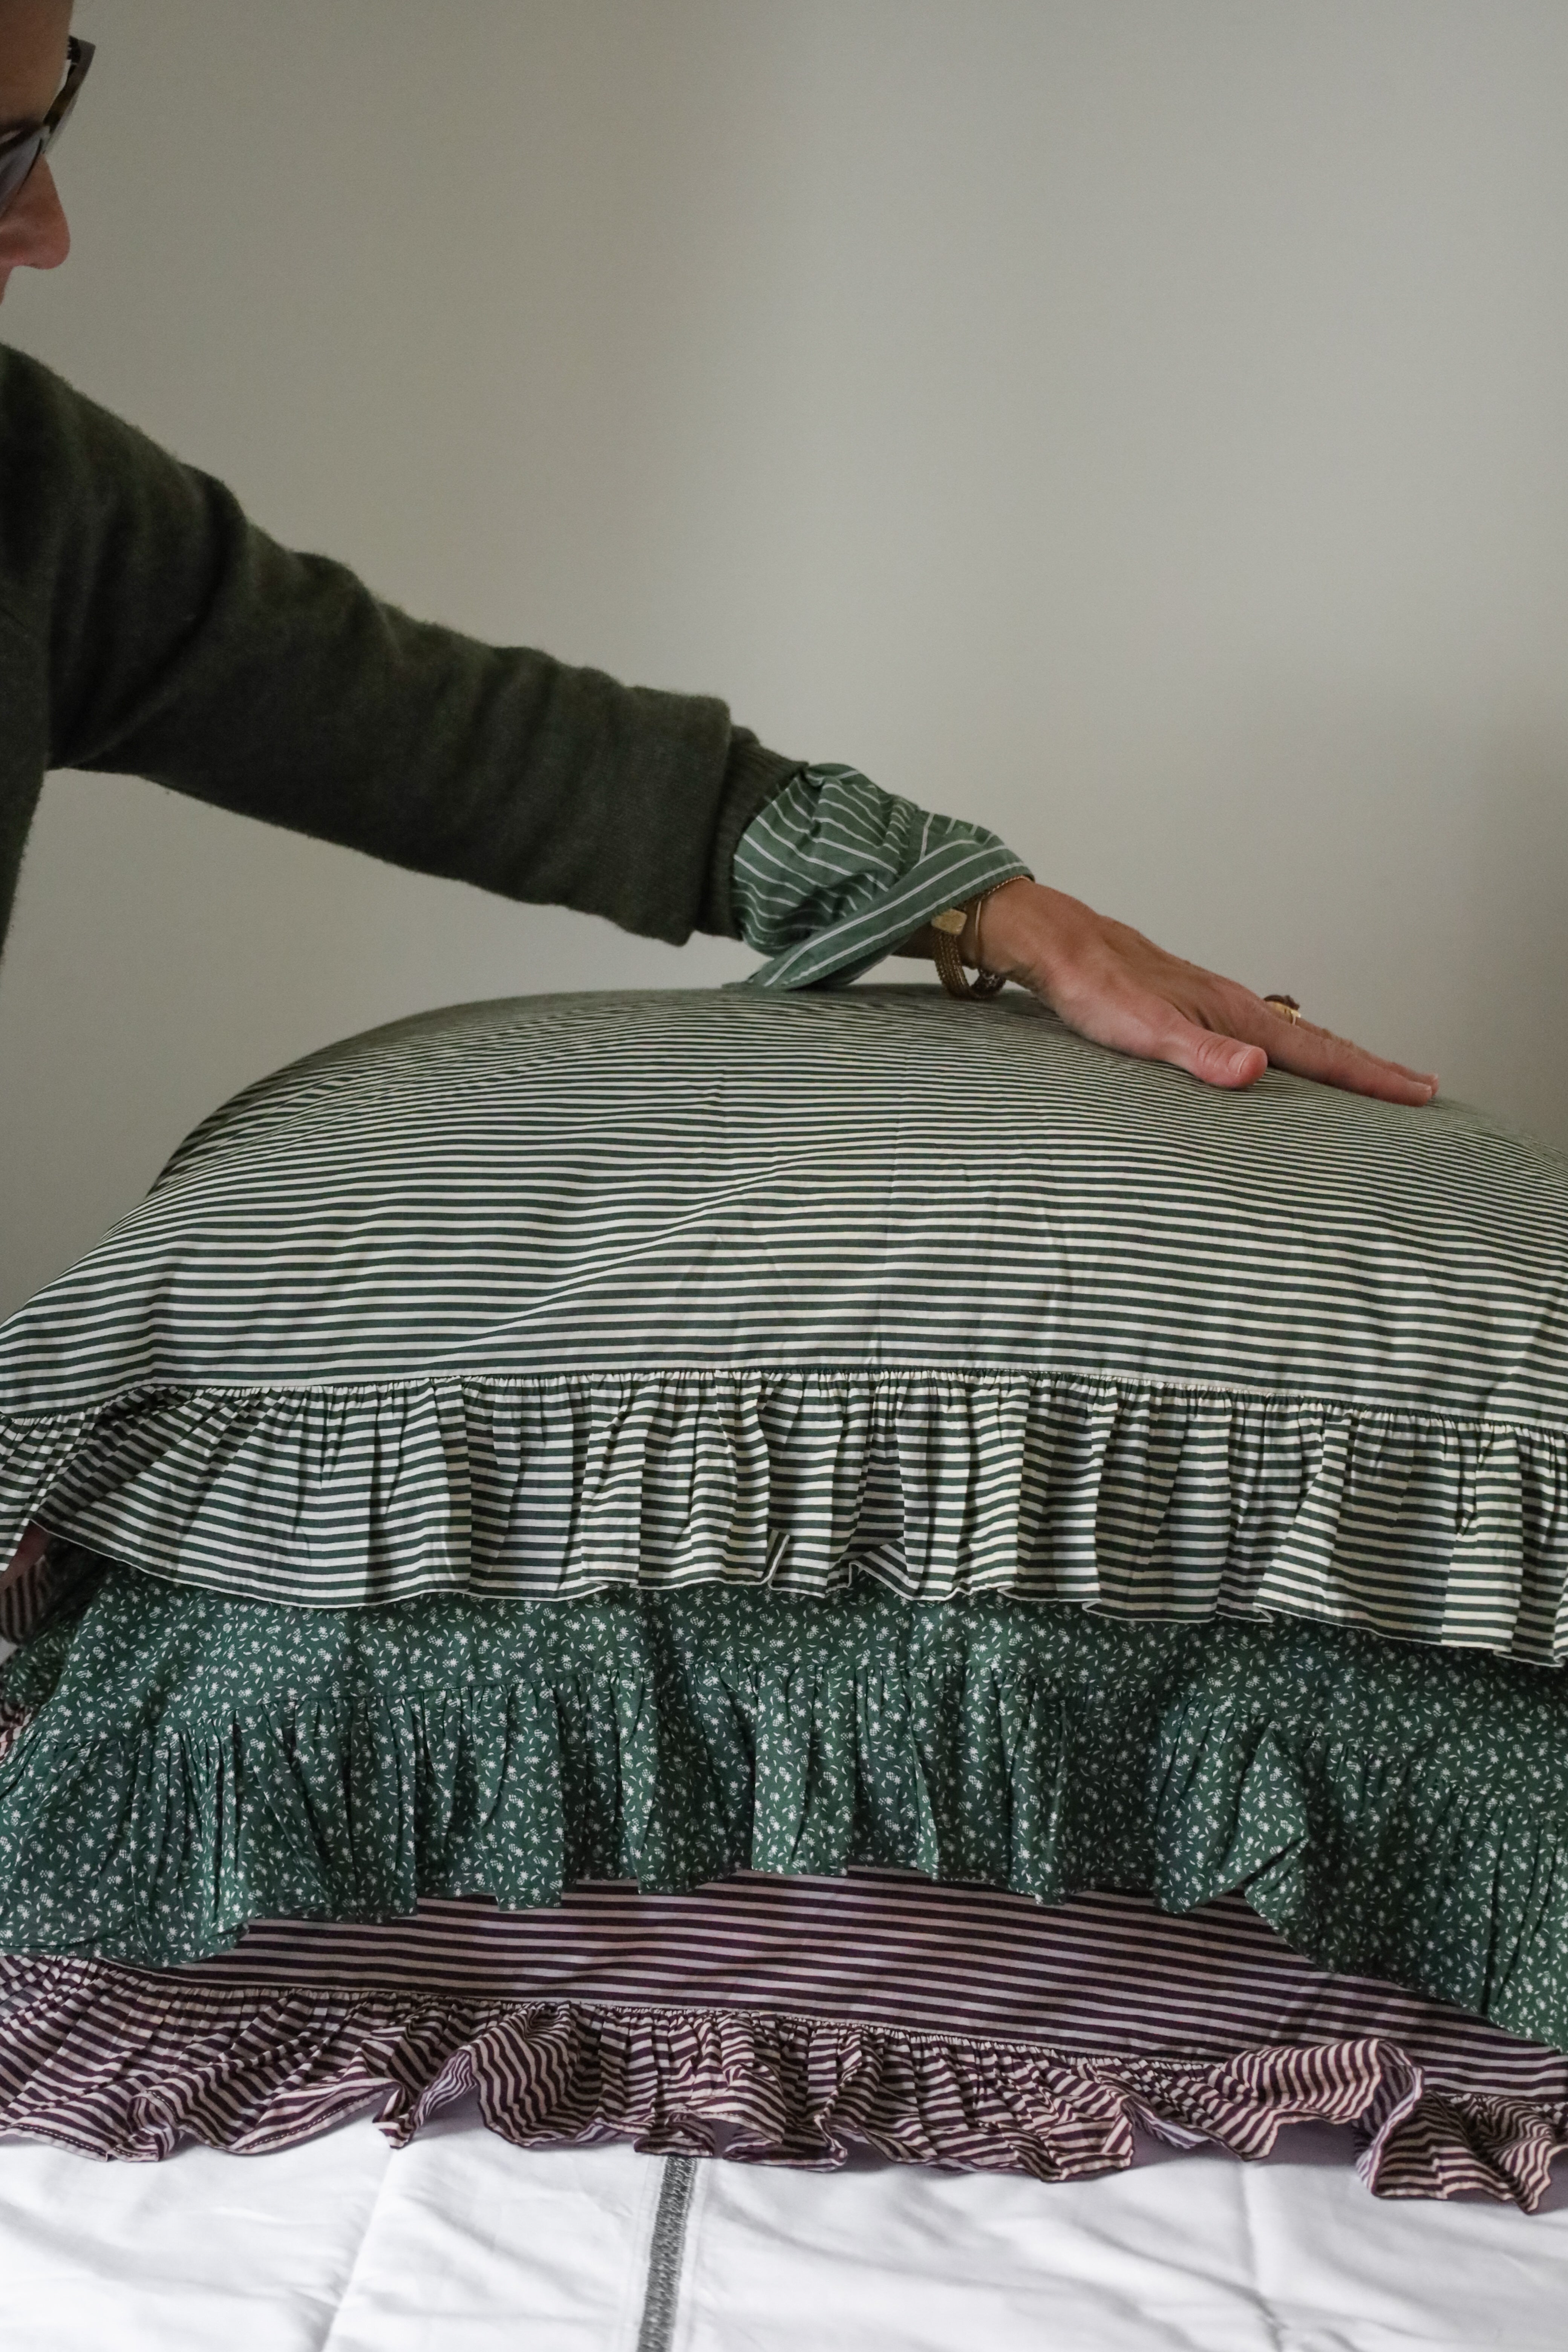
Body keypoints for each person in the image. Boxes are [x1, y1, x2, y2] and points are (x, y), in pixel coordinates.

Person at [0, 0, 1436, 1107]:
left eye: (53, 119)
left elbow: (479, 748)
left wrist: (988, 906)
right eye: (4, 155)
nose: (51, 229)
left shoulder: (44, 501)